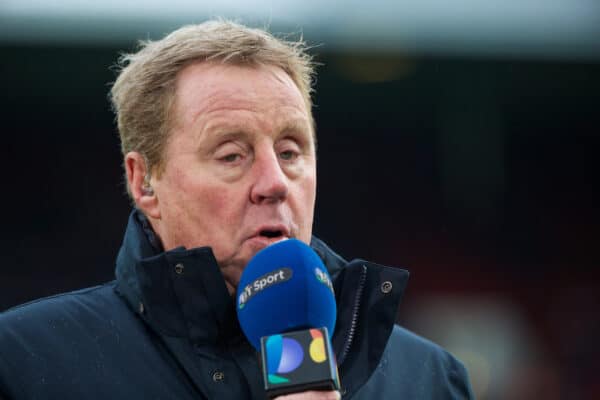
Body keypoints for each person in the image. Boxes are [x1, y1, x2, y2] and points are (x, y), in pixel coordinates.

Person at [0, 20, 473, 399]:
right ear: (144, 181)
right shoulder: (23, 363)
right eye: (232, 155)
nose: (274, 184)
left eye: (290, 152)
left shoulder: (429, 379)